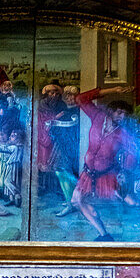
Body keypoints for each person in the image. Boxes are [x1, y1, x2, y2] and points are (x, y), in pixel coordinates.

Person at [70, 88, 138, 241]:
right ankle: (104, 235)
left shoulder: (123, 133)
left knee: (131, 202)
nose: (122, 117)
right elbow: (81, 98)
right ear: (110, 111)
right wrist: (113, 90)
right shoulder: (98, 116)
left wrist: (125, 173)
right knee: (76, 200)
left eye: (125, 114)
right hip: (88, 173)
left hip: (107, 174)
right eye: (119, 112)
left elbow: (131, 154)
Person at [48, 85, 80, 216]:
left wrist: (55, 123)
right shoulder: (63, 110)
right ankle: (70, 200)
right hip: (61, 146)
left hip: (70, 148)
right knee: (60, 172)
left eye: (73, 96)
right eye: (67, 95)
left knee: (63, 172)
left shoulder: (77, 112)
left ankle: (70, 202)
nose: (70, 98)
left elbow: (70, 129)